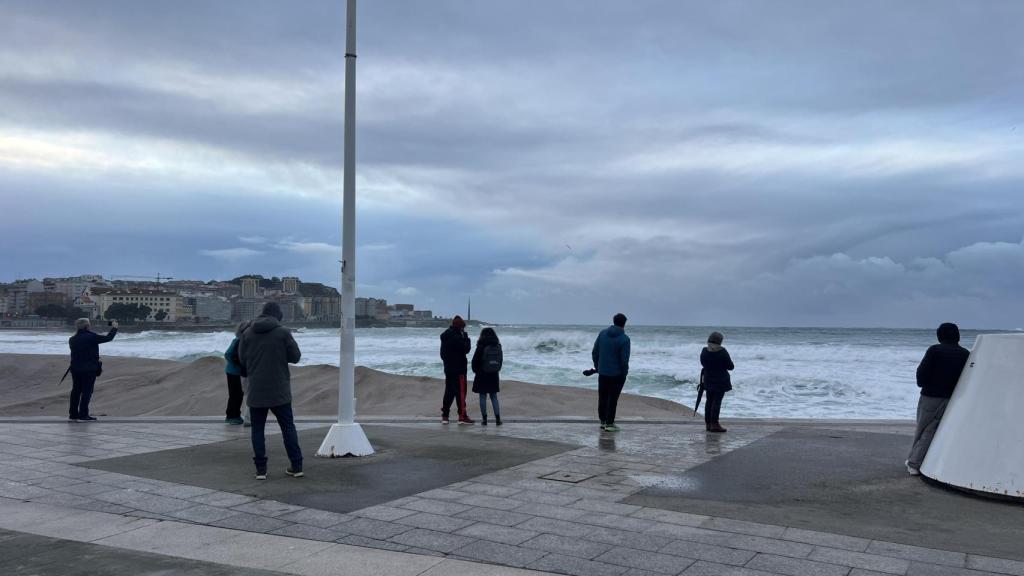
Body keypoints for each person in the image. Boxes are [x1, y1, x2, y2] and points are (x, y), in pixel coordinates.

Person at [238, 302, 303, 480]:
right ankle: (296, 466)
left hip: (256, 389)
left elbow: (242, 361)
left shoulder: (247, 333)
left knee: (257, 430)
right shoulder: (283, 332)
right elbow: (296, 357)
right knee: (288, 428)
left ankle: (261, 470)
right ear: (277, 315)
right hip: (279, 389)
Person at [906, 322, 969, 476]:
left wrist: (923, 384)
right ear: (957, 336)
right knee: (939, 430)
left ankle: (914, 463)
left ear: (939, 336)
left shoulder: (934, 350)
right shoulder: (965, 354)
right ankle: (928, 461)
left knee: (924, 430)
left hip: (930, 397)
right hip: (953, 398)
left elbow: (921, 375)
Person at [67, 318, 118, 422]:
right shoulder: (91, 337)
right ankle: (83, 415)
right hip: (89, 369)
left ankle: (73, 414)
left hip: (75, 368)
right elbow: (109, 338)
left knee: (76, 391)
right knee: (87, 392)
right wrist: (114, 328)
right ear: (87, 326)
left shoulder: (72, 339)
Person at [592, 313, 631, 432]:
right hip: (617, 374)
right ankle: (609, 423)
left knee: (602, 397)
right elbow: (624, 360)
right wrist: (624, 373)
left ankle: (603, 421)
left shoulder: (602, 333)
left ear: (613, 321)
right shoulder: (625, 339)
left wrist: (597, 367)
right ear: (624, 324)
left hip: (603, 372)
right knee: (613, 398)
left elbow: (595, 352)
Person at [440, 315, 473, 424]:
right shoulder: (459, 336)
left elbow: (442, 355)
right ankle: (462, 416)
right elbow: (466, 349)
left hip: (448, 369)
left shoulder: (445, 336)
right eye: (463, 327)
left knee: (449, 392)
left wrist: (448, 363)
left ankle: (445, 416)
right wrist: (466, 337)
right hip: (459, 370)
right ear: (460, 327)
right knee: (461, 393)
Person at [700, 331, 734, 433]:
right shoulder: (722, 351)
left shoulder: (704, 351)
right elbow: (731, 367)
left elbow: (702, 363)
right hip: (720, 380)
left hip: (708, 379)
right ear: (720, 341)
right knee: (717, 402)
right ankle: (715, 424)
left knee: (709, 401)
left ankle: (708, 424)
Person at [471, 327, 503, 426]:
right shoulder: (497, 345)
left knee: (482, 396)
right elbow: (500, 360)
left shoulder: (481, 346)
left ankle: (484, 420)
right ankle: (498, 419)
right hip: (493, 373)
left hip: (482, 373)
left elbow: (474, 361)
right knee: (494, 396)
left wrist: (476, 371)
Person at [223, 321, 250, 425]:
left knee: (237, 394)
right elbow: (227, 354)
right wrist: (237, 363)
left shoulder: (240, 340)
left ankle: (235, 415)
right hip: (234, 372)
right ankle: (231, 416)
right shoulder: (238, 341)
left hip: (234, 371)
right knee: (236, 395)